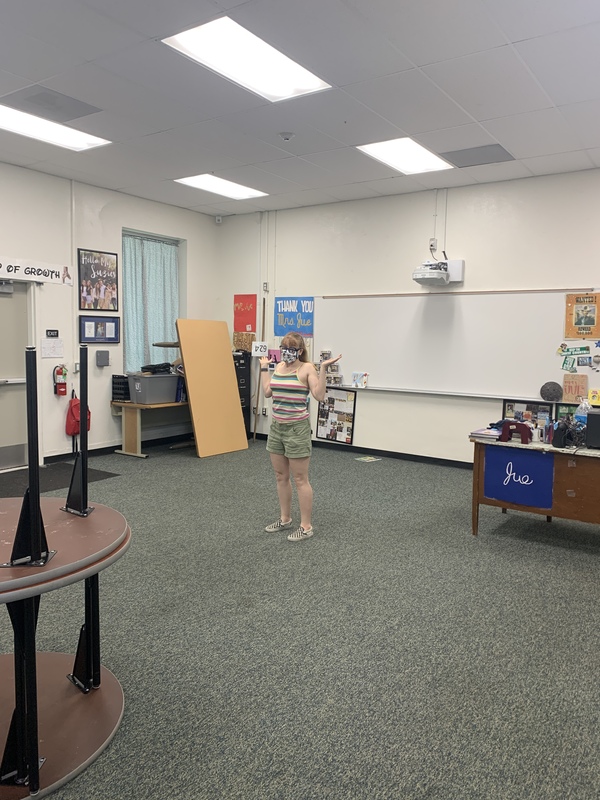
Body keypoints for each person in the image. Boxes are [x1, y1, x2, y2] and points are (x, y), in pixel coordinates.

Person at [260, 332, 341, 542]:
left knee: (300, 479)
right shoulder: (278, 367)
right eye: (284, 347)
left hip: (297, 429)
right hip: (277, 428)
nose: (286, 352)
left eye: (291, 348)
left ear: (300, 351)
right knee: (280, 476)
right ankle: (285, 519)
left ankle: (306, 527)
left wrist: (323, 369)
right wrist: (263, 368)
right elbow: (268, 392)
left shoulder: (307, 368)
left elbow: (319, 395)